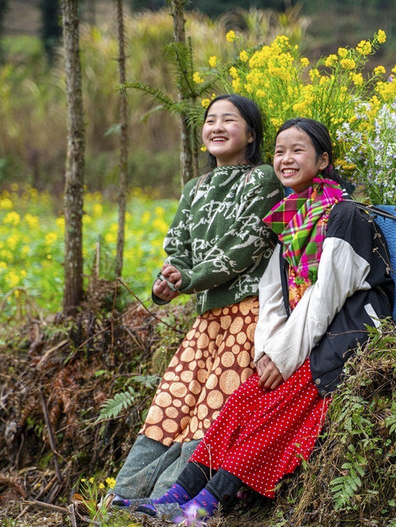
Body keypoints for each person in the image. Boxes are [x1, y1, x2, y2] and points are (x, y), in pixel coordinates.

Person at [129, 118, 394, 524]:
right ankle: (179, 493)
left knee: (279, 406)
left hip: (347, 328)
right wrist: (267, 351)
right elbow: (273, 291)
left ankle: (204, 508)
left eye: (298, 150)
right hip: (304, 333)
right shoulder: (289, 218)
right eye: (279, 151)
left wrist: (284, 356)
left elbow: (326, 295)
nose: (286, 159)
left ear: (323, 160)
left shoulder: (345, 215)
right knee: (243, 400)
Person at [106, 95, 284, 506]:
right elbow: (178, 249)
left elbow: (245, 246)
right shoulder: (195, 188)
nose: (217, 127)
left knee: (212, 409)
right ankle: (127, 495)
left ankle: (180, 497)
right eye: (210, 121)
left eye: (229, 120)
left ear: (252, 134)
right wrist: (166, 281)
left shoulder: (261, 180)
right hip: (207, 319)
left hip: (248, 312)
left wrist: (189, 278)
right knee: (172, 403)